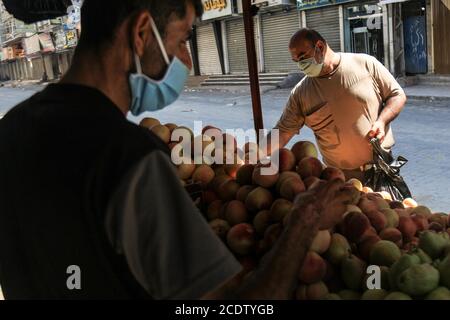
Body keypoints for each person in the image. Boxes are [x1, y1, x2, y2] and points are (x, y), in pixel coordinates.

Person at [0, 1, 351, 300]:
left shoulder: (11, 129)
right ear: (140, 33)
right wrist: (305, 222)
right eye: (182, 40)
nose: (187, 59)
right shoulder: (130, 159)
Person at [265, 29, 407, 181]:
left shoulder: (365, 64)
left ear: (320, 47)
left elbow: (397, 95)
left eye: (303, 57)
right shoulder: (301, 93)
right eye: (296, 61)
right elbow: (282, 132)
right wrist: (253, 155)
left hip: (382, 169)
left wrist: (382, 121)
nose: (301, 65)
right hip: (339, 179)